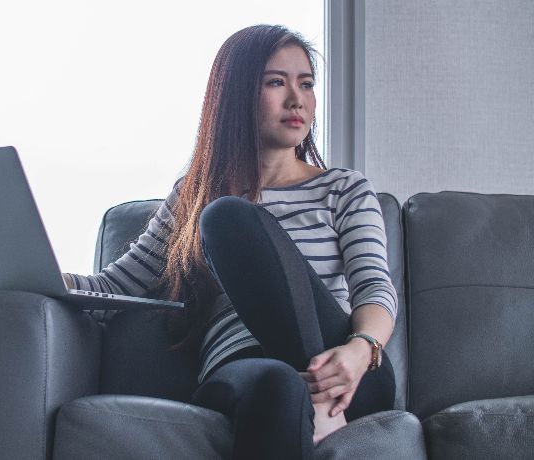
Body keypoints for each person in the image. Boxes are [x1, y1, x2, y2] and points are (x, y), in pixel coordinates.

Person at [62, 24, 396, 459]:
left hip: (349, 372)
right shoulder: (194, 194)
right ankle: (312, 402)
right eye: (276, 82)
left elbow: (373, 287)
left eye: (307, 83)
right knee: (277, 382)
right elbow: (114, 289)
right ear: (236, 95)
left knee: (226, 216)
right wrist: (31, 272)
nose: (297, 99)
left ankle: (320, 397)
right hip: (244, 368)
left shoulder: (344, 189)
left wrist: (359, 350)